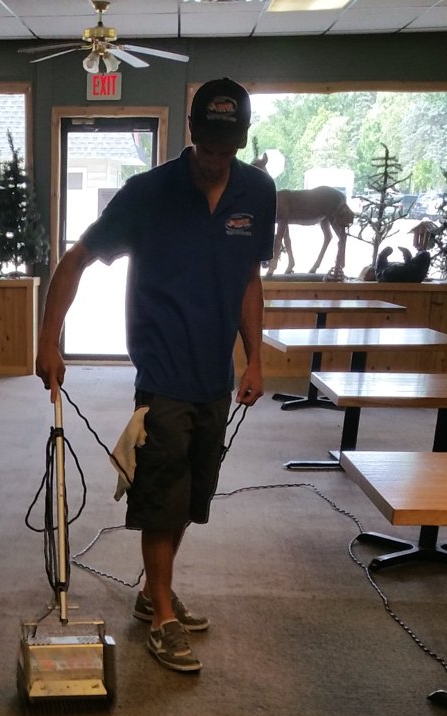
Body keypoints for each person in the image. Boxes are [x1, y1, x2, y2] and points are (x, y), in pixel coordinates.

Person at [36, 77, 276, 673]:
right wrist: (48, 340)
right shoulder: (148, 193)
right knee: (162, 496)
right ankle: (162, 616)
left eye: (228, 148)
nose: (217, 159)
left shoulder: (257, 192)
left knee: (192, 496)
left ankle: (153, 593)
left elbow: (249, 278)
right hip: (163, 370)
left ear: (242, 140)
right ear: (192, 132)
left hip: (215, 375)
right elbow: (76, 259)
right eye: (209, 146)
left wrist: (254, 357)